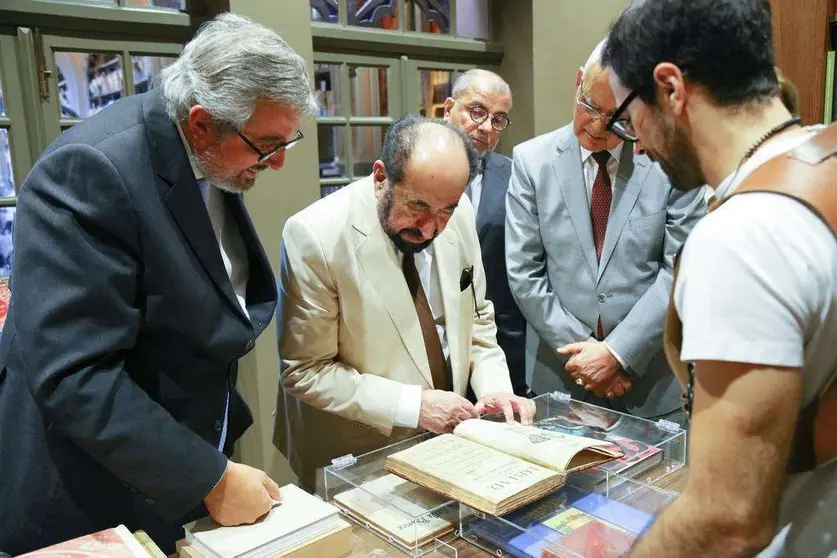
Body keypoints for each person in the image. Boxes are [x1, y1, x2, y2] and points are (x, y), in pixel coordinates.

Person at [0, 13, 316, 554]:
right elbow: (77, 376)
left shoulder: (209, 157)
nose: (279, 162)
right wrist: (207, 477)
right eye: (266, 145)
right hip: (89, 491)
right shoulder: (90, 170)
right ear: (200, 123)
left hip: (174, 463)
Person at [602, 0, 837, 555]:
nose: (634, 140)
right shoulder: (824, 155)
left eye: (627, 116)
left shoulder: (745, 234)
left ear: (671, 89)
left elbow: (726, 518)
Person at [275, 115, 535, 491]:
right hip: (358, 455)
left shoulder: (457, 213)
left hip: (451, 444)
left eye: (445, 210)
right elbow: (306, 370)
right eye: (417, 207)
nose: (431, 228)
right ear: (381, 177)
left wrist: (495, 388)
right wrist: (416, 407)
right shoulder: (315, 235)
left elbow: (477, 319)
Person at [505, 41, 706, 424]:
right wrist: (587, 359)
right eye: (590, 107)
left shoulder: (673, 166)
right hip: (560, 378)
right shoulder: (531, 162)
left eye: (617, 119)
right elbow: (524, 274)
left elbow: (679, 271)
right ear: (579, 82)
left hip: (648, 382)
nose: (597, 127)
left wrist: (617, 353)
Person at [442, 69, 528, 397]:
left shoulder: (518, 178)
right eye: (477, 111)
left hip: (500, 351)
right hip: (430, 346)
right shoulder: (413, 168)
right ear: (449, 107)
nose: (486, 127)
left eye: (498, 119)